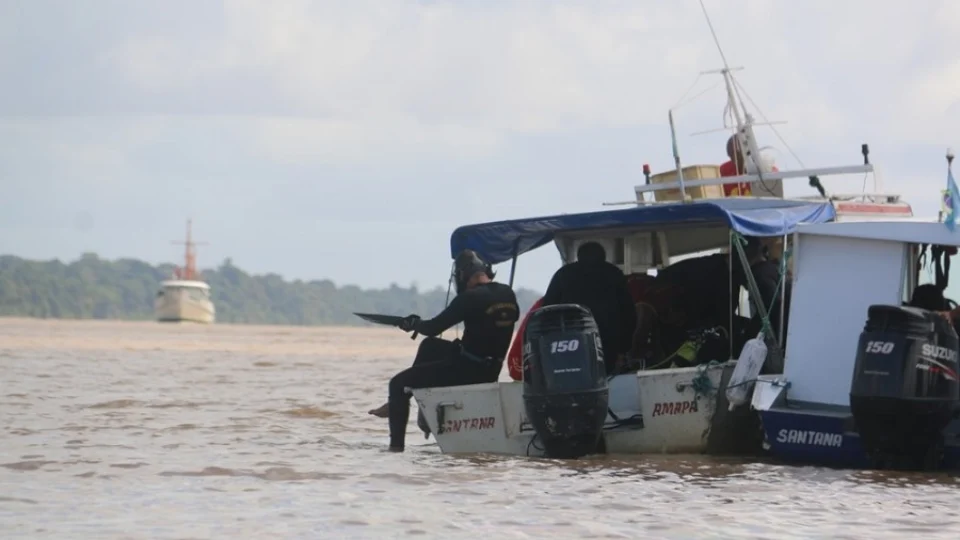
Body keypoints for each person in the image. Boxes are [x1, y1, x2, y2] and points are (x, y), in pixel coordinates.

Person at [367, 249, 520, 452]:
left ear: (462, 276)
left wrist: (413, 323)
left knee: (397, 383)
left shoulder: (470, 298)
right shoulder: (506, 292)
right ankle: (405, 398)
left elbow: (433, 328)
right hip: (490, 368)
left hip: (467, 370)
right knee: (430, 345)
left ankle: (396, 449)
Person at [540, 241, 638, 376]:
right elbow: (629, 315)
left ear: (578, 256)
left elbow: (547, 311)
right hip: (607, 344)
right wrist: (623, 349)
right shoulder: (614, 274)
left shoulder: (563, 274)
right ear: (603, 256)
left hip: (569, 343)